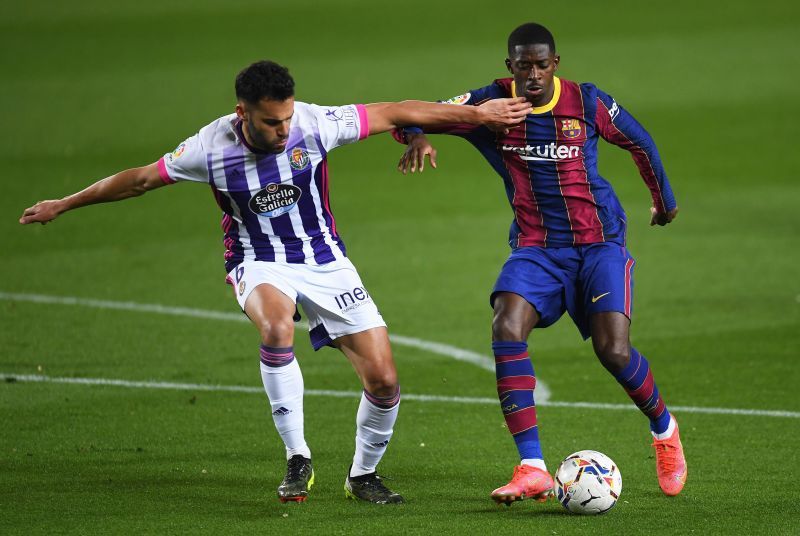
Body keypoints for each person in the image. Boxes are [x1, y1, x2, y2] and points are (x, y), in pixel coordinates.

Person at [19, 60, 531, 504]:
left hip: (325, 261)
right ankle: (297, 456)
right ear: (243, 113)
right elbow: (138, 180)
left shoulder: (314, 123)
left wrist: (477, 115)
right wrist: (66, 203)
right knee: (276, 327)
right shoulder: (208, 147)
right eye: (271, 121)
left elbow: (395, 111)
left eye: (287, 118)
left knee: (385, 381)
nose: (284, 130)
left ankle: (363, 476)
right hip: (258, 260)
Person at [394, 22, 687, 503]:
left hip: (599, 242)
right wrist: (415, 136)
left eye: (541, 64)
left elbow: (640, 141)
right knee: (506, 326)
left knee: (613, 351)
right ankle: (531, 467)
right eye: (523, 65)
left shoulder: (587, 102)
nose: (533, 74)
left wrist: (665, 201)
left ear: (556, 64)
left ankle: (664, 430)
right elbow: (417, 113)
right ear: (509, 67)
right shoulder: (489, 105)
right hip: (537, 245)